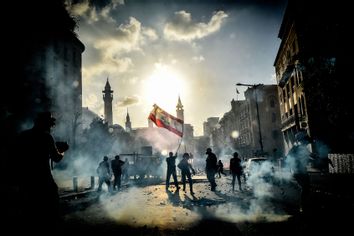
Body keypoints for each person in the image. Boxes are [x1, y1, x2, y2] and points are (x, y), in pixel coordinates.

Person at [16, 111, 69, 231]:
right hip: (43, 179)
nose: (51, 127)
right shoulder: (46, 137)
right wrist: (64, 151)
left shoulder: (23, 136)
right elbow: (57, 158)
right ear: (45, 124)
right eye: (50, 124)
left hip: (25, 179)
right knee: (50, 208)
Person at [286, 131, 314, 213]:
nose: (307, 142)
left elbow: (310, 156)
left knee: (306, 188)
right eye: (305, 140)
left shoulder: (302, 148)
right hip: (298, 171)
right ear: (301, 140)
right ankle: (303, 206)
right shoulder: (296, 148)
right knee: (305, 188)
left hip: (302, 170)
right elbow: (289, 158)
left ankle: (305, 205)